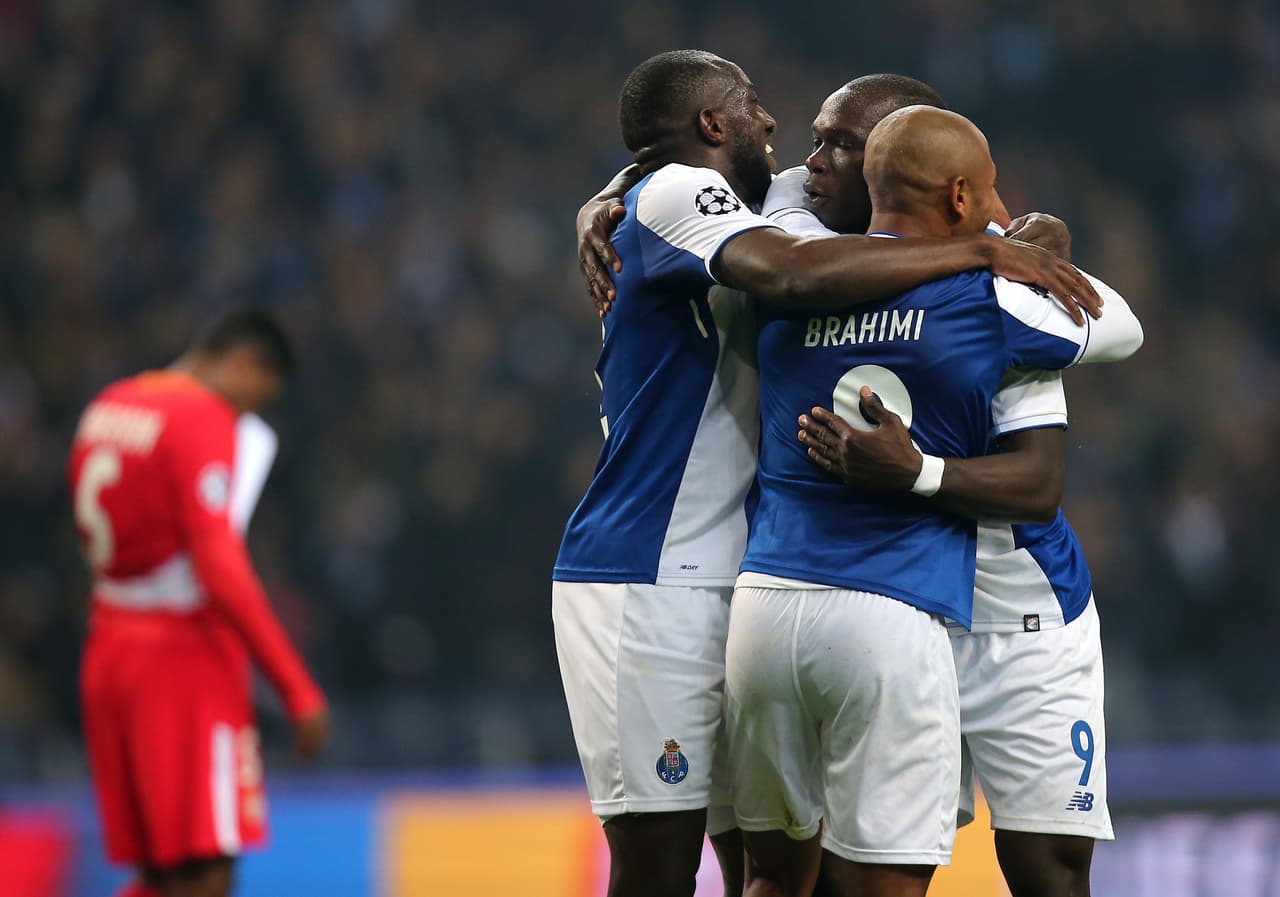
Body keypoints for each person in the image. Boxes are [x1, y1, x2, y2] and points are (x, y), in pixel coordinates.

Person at [553, 50, 1103, 897]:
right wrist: (979, 258)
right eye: (755, 108)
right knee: (660, 861)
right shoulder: (687, 198)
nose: (776, 130)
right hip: (649, 574)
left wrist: (1017, 237)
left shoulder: (754, 207)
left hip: (741, 581)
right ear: (710, 126)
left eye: (833, 144)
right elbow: (791, 273)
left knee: (765, 866)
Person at [723, 105, 1141, 897]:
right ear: (960, 194)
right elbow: (1120, 324)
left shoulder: (804, 277)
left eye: (836, 146)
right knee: (856, 872)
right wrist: (992, 245)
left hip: (1017, 613)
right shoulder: (990, 289)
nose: (811, 165)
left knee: (1041, 868)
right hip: (895, 614)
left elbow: (1037, 487)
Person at [70, 310, 330, 897]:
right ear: (240, 364)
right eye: (251, 401)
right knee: (207, 870)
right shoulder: (198, 416)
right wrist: (295, 686)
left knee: (160, 873)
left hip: (110, 650)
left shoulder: (109, 406)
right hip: (181, 663)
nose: (244, 419)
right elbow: (218, 564)